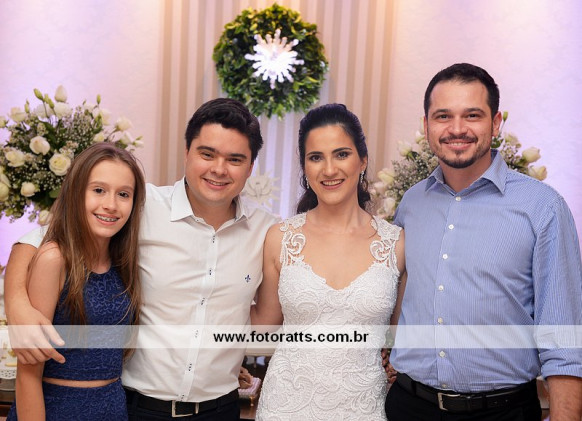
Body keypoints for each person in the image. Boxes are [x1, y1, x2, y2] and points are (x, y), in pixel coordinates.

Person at [4, 98, 278, 420]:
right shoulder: (140, 205)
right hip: (137, 406)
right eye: (207, 154)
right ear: (187, 153)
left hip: (221, 407)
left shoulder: (267, 230)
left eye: (235, 159)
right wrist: (18, 304)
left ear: (250, 167)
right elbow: (42, 238)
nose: (219, 169)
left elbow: (261, 318)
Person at [385, 63, 582, 420]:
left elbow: (565, 338)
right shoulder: (411, 204)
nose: (457, 128)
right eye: (443, 116)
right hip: (409, 406)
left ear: (496, 123)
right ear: (426, 125)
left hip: (502, 412)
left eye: (472, 115)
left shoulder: (542, 207)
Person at [251, 103, 406, 420]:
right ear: (304, 167)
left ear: (362, 160)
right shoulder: (280, 238)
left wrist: (397, 366)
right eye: (316, 157)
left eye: (341, 154)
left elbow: (402, 339)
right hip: (285, 406)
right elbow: (262, 327)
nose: (329, 169)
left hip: (364, 408)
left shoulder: (397, 244)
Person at [6, 142, 146, 420]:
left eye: (123, 194)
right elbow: (28, 374)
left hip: (113, 408)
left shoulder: (124, 261)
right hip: (58, 410)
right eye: (98, 190)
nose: (111, 204)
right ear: (76, 192)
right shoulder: (54, 259)